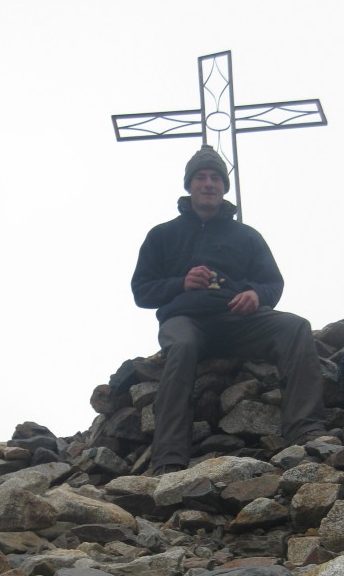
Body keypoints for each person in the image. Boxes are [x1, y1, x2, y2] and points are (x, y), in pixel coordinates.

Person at [131, 145, 328, 475]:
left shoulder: (246, 236)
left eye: (215, 178)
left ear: (224, 187)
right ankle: (168, 459)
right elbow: (142, 291)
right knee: (181, 347)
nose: (208, 184)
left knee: (295, 327)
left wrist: (255, 294)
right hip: (186, 319)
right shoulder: (163, 235)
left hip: (238, 319)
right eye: (201, 177)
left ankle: (306, 430)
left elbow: (272, 283)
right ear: (189, 185)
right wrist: (181, 283)